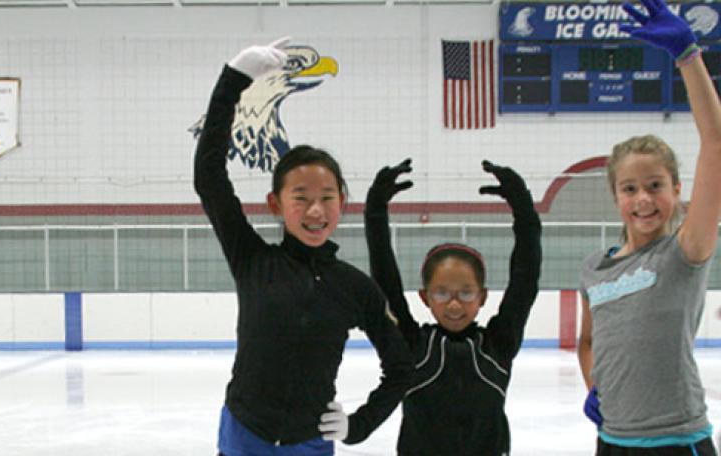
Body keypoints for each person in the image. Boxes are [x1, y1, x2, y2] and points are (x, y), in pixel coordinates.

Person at [193, 37, 413, 456]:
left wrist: (359, 425)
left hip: (309, 442)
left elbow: (401, 368)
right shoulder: (253, 259)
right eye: (301, 196)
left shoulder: (356, 287)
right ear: (276, 204)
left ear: (342, 203)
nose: (316, 209)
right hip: (244, 434)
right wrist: (233, 80)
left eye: (328, 196)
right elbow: (209, 178)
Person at [577, 0, 721, 454]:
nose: (643, 199)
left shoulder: (683, 252)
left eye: (655, 185)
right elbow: (588, 342)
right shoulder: (593, 269)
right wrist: (594, 386)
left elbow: (716, 142)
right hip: (613, 441)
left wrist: (688, 57)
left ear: (676, 189)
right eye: (630, 188)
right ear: (615, 196)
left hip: (679, 441)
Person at [364, 158, 542, 455]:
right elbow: (386, 284)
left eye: (466, 293)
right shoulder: (411, 346)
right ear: (425, 297)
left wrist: (523, 209)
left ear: (483, 297)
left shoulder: (498, 346)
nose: (455, 304)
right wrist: (375, 213)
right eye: (442, 293)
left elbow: (525, 280)